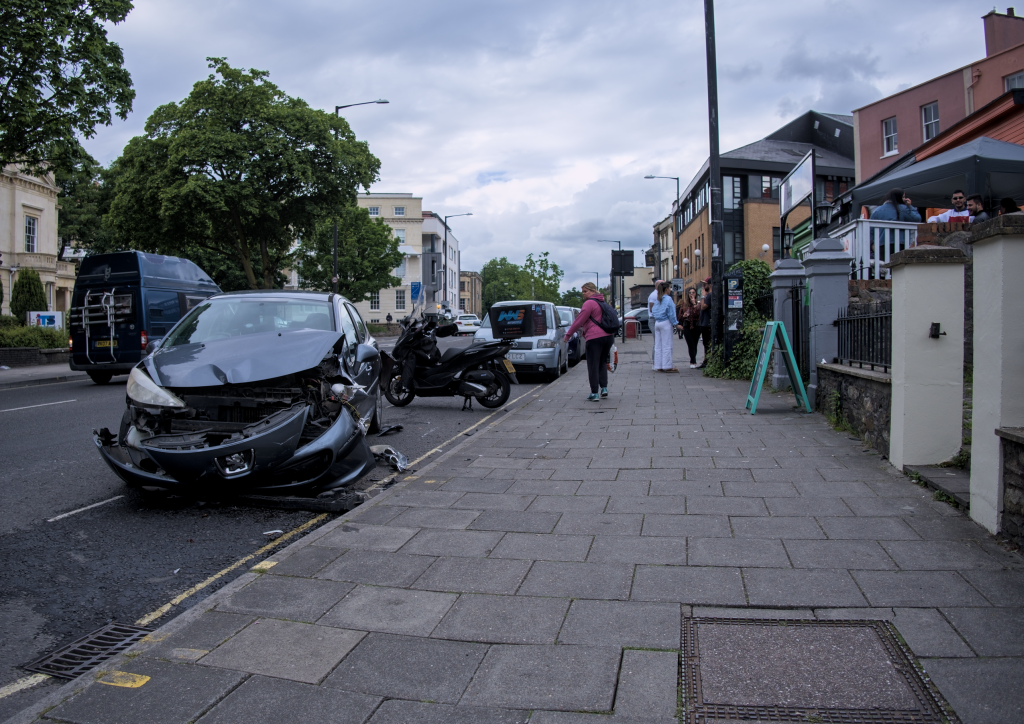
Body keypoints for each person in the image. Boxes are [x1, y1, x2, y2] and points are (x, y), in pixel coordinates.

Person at [563, 282, 614, 401]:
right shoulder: (603, 302)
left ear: (592, 291)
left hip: (595, 337)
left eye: (585, 291)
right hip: (608, 337)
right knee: (602, 362)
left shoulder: (589, 303)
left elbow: (579, 321)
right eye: (583, 292)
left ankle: (594, 393)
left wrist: (568, 335)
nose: (583, 294)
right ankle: (604, 388)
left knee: (593, 365)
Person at [651, 280, 684, 372]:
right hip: (665, 323)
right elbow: (671, 313)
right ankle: (667, 366)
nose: (670, 289)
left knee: (658, 345)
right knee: (667, 345)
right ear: (666, 289)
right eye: (669, 288)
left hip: (657, 323)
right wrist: (676, 324)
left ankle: (658, 365)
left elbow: (653, 310)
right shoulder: (668, 299)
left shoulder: (658, 300)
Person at [679, 286, 702, 368]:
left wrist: (694, 303)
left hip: (696, 326)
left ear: (696, 294)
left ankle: (693, 359)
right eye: (690, 293)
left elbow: (698, 314)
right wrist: (683, 316)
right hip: (687, 326)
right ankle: (693, 361)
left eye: (693, 292)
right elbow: (679, 317)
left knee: (695, 344)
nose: (691, 294)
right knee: (690, 344)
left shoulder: (699, 304)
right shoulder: (684, 304)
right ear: (687, 294)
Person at [697, 277, 713, 368]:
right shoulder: (709, 295)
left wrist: (703, 296)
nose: (703, 286)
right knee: (706, 344)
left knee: (707, 343)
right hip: (705, 322)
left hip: (707, 324)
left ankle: (707, 362)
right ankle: (706, 361)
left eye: (705, 284)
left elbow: (703, 307)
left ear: (710, 285)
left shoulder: (710, 295)